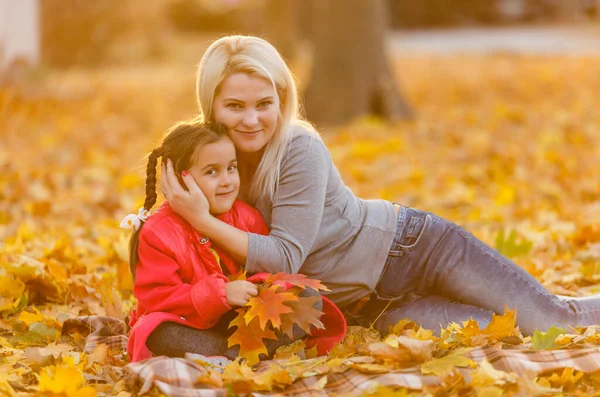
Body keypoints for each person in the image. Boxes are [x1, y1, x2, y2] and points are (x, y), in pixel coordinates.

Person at [161, 35, 600, 338]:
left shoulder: (298, 148)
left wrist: (200, 219)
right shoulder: (206, 161)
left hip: (414, 250)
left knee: (551, 321)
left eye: (264, 104)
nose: (252, 120)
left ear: (282, 100)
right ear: (211, 107)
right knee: (502, 327)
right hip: (372, 308)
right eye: (235, 106)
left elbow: (284, 256)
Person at [122, 120, 345, 363]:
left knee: (307, 298)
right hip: (190, 323)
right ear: (178, 180)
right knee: (155, 331)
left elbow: (268, 269)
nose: (227, 180)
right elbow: (159, 297)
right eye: (212, 172)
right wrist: (220, 293)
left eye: (231, 168)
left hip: (242, 322)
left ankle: (235, 354)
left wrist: (255, 289)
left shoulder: (245, 216)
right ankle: (230, 354)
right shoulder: (158, 233)